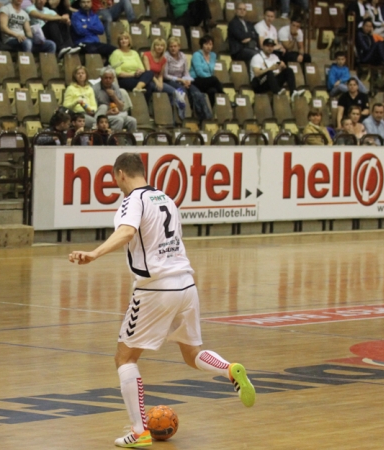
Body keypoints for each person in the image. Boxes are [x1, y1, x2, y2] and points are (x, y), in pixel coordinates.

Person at [68, 152, 256, 448]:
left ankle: (139, 430)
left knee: (125, 358)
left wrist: (94, 253)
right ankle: (229, 369)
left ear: (120, 174)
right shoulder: (166, 198)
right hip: (186, 284)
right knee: (192, 353)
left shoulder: (133, 200)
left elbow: (127, 231)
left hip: (156, 289)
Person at [111, 32, 172, 105]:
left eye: (126, 39)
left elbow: (142, 69)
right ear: (119, 42)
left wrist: (139, 72)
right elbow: (118, 73)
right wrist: (133, 74)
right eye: (121, 39)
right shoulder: (116, 53)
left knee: (149, 73)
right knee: (148, 85)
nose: (123, 41)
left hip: (137, 77)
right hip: (124, 79)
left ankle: (139, 93)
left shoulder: (134, 53)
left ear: (129, 40)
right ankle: (141, 104)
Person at [165, 36, 212, 121]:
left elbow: (186, 72)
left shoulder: (183, 56)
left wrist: (187, 80)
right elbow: (165, 75)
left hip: (183, 79)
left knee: (197, 93)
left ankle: (204, 118)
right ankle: (186, 116)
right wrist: (180, 80)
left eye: (175, 46)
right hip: (170, 80)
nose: (173, 48)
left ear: (179, 46)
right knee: (184, 91)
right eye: (171, 46)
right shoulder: (166, 56)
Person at [93, 67, 138, 132]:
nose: (108, 80)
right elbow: (94, 110)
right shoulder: (95, 89)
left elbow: (121, 107)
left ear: (113, 79)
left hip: (115, 113)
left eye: (110, 78)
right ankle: (115, 140)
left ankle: (131, 141)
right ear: (101, 78)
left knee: (132, 121)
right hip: (102, 116)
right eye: (106, 78)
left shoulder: (115, 87)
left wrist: (114, 96)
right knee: (119, 120)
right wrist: (107, 113)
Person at [189, 35, 225, 107]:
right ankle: (224, 96)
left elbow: (211, 70)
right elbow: (199, 72)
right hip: (196, 80)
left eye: (210, 44)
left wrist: (210, 79)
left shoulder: (213, 55)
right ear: (202, 45)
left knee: (213, 91)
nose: (208, 46)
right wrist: (210, 79)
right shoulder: (196, 55)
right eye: (206, 44)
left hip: (208, 82)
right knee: (214, 79)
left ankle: (208, 112)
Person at [141, 38, 178, 107]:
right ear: (154, 46)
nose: (159, 47)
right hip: (148, 80)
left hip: (157, 80)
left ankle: (170, 110)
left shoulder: (163, 59)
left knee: (174, 92)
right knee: (157, 89)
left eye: (162, 45)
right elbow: (148, 71)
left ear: (164, 47)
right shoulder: (146, 55)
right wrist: (157, 82)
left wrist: (160, 82)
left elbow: (160, 75)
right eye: (157, 45)